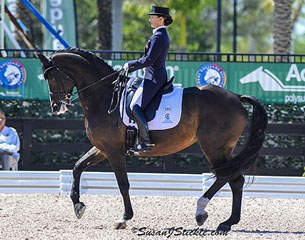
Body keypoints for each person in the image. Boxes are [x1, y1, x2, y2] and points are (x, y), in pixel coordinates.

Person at [124, 5, 173, 153]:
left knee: (134, 106)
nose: (149, 19)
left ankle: (144, 141)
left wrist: (130, 65)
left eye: (152, 16)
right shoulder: (158, 35)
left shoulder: (159, 36)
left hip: (154, 78)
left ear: (161, 19)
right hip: (152, 76)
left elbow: (149, 60)